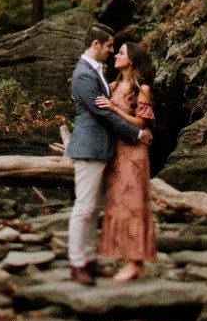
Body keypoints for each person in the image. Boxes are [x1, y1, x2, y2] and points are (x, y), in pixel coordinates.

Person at [66, 24, 145, 285]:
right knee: (84, 207)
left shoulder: (96, 72)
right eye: (109, 45)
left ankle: (88, 260)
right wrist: (137, 135)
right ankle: (77, 263)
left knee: (92, 208)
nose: (112, 50)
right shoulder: (83, 75)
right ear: (96, 45)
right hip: (88, 148)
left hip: (100, 149)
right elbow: (102, 113)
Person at [97, 40, 158, 281]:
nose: (116, 56)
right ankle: (126, 256)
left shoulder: (142, 89)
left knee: (134, 202)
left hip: (135, 151)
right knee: (118, 201)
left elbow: (141, 123)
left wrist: (114, 109)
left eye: (120, 53)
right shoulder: (112, 85)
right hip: (117, 150)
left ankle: (135, 261)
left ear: (131, 59)